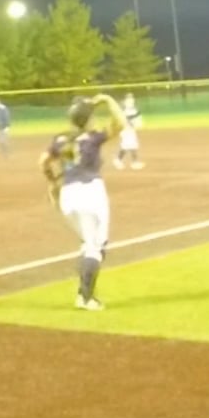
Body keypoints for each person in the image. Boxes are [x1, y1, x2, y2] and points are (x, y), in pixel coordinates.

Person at [41, 95, 128, 310]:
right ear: (87, 119)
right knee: (96, 246)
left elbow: (44, 161)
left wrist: (52, 184)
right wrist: (108, 100)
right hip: (90, 193)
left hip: (68, 195)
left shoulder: (60, 139)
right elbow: (121, 123)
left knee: (88, 243)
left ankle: (84, 292)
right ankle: (86, 298)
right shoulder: (93, 137)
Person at [112, 94, 145, 170]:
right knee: (131, 145)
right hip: (125, 130)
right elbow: (125, 119)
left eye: (132, 98)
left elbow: (136, 118)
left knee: (128, 145)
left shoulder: (133, 109)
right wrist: (133, 121)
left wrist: (137, 122)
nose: (131, 100)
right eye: (129, 98)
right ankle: (134, 162)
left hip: (130, 130)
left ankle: (118, 160)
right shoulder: (124, 110)